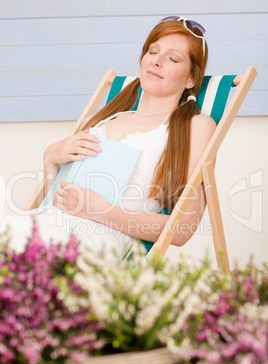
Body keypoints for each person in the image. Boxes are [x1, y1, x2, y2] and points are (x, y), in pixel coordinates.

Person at [2, 17, 216, 257]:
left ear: (191, 79)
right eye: (152, 51)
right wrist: (50, 159)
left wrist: (102, 211)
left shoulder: (195, 126)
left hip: (92, 246)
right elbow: (60, 204)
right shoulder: (99, 120)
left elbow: (182, 230)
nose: (156, 61)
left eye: (173, 58)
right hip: (44, 228)